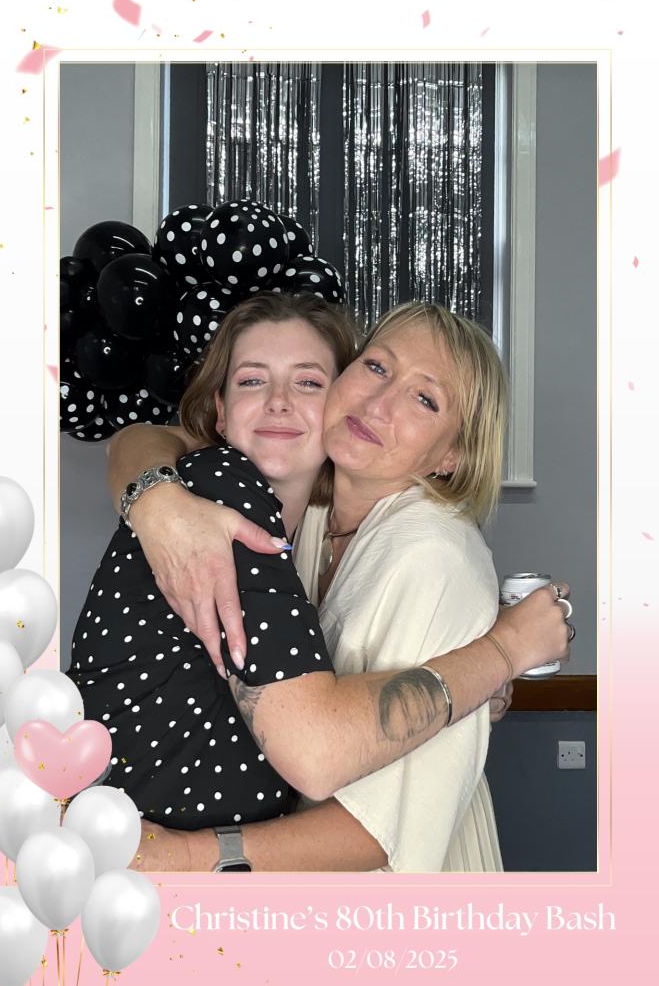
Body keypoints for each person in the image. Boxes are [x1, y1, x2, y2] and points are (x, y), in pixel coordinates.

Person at [101, 296, 571, 872]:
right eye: (376, 367)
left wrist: (189, 856)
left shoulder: (433, 554)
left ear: (452, 454)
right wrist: (158, 503)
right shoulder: (305, 502)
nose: (378, 403)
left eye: (424, 399)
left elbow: (376, 830)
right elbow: (144, 439)